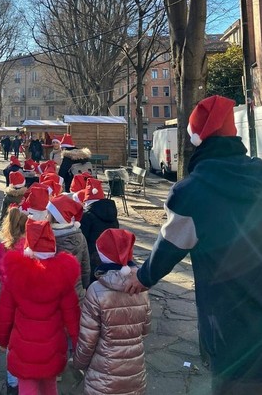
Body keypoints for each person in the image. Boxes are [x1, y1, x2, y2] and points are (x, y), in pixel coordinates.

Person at [124, 95, 262, 395]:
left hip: (229, 323)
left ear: (197, 141)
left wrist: (143, 276)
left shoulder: (191, 193)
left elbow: (169, 247)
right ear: (233, 134)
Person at [0, 218, 81, 395]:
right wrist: (78, 345)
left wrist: (2, 341)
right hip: (52, 348)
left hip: (23, 349)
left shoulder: (16, 277)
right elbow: (73, 316)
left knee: (27, 388)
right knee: (50, 387)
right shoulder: (63, 279)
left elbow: (5, 315)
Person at [73, 228, 151, 394]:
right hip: (134, 370)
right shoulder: (142, 288)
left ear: (103, 256)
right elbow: (145, 330)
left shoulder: (96, 290)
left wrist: (79, 363)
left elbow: (88, 339)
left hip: (103, 373)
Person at [0, 207, 28, 395]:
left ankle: (13, 384)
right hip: (32, 306)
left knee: (11, 346)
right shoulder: (34, 249)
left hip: (10, 306)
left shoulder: (3, 250)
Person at [46, 195, 90, 302]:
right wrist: (84, 286)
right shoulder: (80, 235)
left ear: (53, 216)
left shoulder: (47, 237)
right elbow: (85, 266)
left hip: (51, 292)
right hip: (75, 290)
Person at [80, 178, 120, 284]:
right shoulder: (112, 215)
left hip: (91, 255)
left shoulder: (86, 216)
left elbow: (82, 237)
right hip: (109, 254)